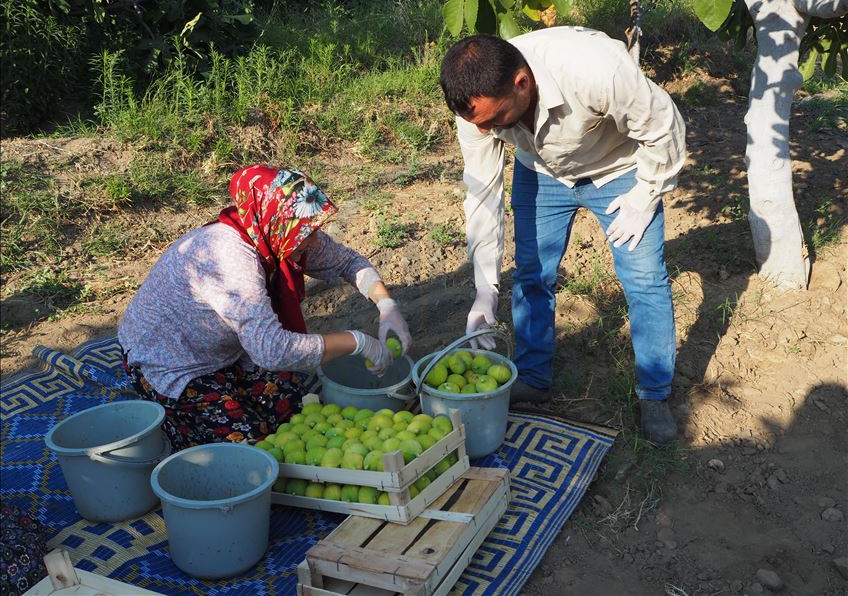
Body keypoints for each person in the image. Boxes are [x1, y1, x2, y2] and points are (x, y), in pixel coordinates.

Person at [439, 28, 685, 444]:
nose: (488, 131)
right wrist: (485, 291)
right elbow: (482, 194)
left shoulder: (593, 69)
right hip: (543, 174)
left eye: (497, 120)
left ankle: (654, 393)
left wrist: (644, 196)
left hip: (619, 169)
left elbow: (664, 126)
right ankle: (533, 377)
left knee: (644, 279)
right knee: (532, 275)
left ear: (522, 83)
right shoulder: (477, 110)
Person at [118, 164, 412, 450]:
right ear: (276, 221)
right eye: (305, 232)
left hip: (230, 350)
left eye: (312, 230)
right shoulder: (232, 259)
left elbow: (347, 261)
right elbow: (271, 351)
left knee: (292, 411)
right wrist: (356, 342)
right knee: (250, 449)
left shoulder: (277, 232)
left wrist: (386, 305)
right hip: (173, 361)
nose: (312, 240)